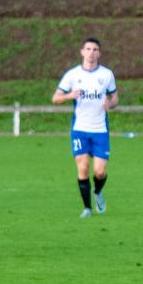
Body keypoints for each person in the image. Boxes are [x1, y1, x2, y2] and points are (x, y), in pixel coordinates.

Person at [52, 37, 118, 217]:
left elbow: (115, 98)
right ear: (82, 52)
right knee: (82, 168)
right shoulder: (73, 75)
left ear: (99, 53)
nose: (91, 52)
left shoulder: (106, 75)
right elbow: (55, 98)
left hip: (100, 130)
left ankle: (98, 193)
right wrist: (69, 95)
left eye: (95, 49)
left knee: (99, 171)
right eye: (88, 49)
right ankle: (87, 208)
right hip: (80, 130)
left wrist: (110, 105)